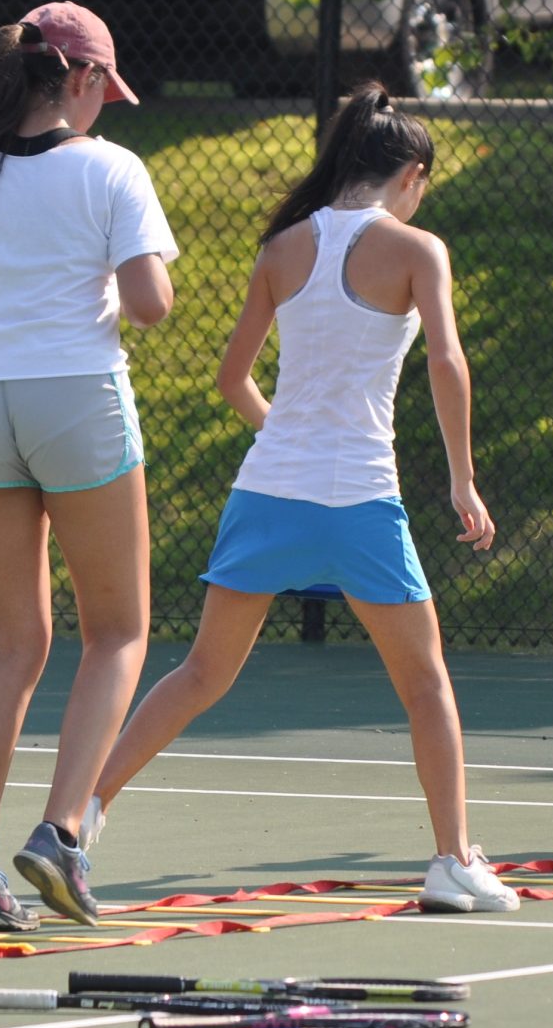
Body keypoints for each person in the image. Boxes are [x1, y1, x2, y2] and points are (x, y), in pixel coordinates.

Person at [82, 85, 519, 913]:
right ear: (412, 174)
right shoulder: (420, 250)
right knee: (425, 685)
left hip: (268, 491)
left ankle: (73, 823)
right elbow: (447, 363)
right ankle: (453, 861)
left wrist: (286, 433)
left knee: (201, 673)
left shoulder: (283, 248)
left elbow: (231, 379)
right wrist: (461, 479)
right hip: (358, 497)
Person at [0, 2, 177, 928]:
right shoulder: (113, 170)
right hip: (75, 400)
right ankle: (60, 835)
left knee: (14, 642)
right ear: (84, 82)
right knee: (118, 632)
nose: (107, 108)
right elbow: (151, 306)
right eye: (106, 90)